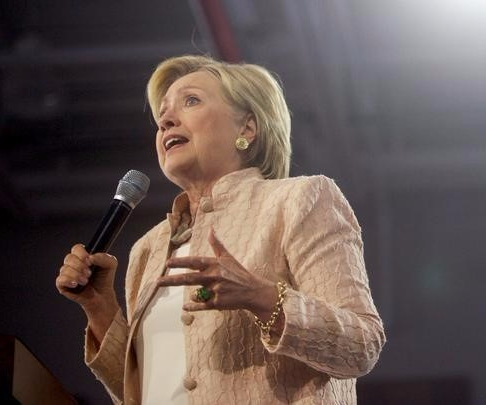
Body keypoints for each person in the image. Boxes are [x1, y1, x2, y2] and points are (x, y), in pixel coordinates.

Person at [56, 54, 386, 404]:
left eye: (191, 101)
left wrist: (260, 297)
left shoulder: (299, 200)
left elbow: (361, 345)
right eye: (162, 115)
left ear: (247, 128)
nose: (166, 120)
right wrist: (99, 306)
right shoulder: (147, 250)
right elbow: (142, 391)